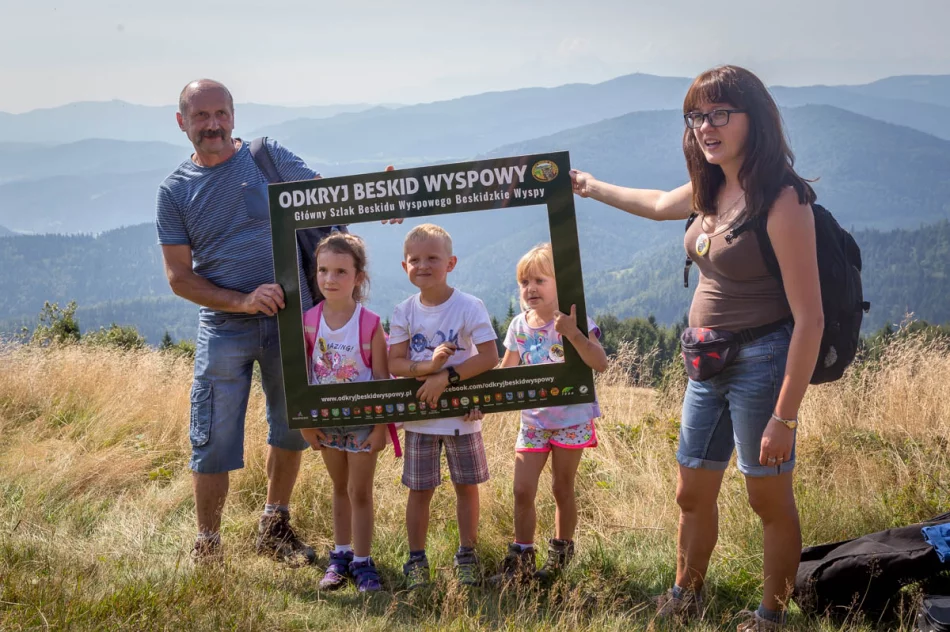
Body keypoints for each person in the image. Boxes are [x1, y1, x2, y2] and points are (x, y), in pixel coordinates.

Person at [571, 65, 823, 631]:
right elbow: (659, 202)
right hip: (705, 363)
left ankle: (771, 616)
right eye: (696, 116)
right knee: (691, 491)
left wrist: (785, 416)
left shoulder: (782, 200)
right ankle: (685, 594)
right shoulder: (711, 186)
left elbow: (810, 319)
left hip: (762, 362)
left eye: (720, 114)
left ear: (754, 120)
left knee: (767, 500)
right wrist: (589, 186)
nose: (706, 127)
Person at [156, 79, 323, 565]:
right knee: (211, 436)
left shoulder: (266, 157)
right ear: (182, 121)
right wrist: (243, 301)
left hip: (292, 318)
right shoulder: (175, 191)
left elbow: (326, 199)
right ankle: (208, 546)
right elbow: (179, 278)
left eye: (221, 114)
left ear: (233, 115)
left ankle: (275, 527)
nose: (213, 124)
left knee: (292, 425)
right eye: (201, 115)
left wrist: (384, 202)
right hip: (224, 325)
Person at [387, 223, 500, 588]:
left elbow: (490, 356)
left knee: (466, 486)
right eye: (414, 260)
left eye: (432, 258)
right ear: (404, 266)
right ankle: (416, 560)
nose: (423, 266)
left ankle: (467, 555)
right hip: (420, 418)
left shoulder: (469, 306)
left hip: (462, 416)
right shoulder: (403, 311)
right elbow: (395, 362)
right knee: (419, 490)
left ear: (450, 263)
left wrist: (446, 378)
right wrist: (429, 369)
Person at [492, 243, 607, 587]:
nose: (530, 288)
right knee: (522, 489)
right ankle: (522, 558)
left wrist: (572, 333)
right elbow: (505, 371)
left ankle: (560, 556)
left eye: (540, 280)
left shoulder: (575, 321)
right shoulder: (518, 325)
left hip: (571, 419)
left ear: (560, 284)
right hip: (533, 421)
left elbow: (599, 362)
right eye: (524, 282)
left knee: (561, 487)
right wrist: (477, 396)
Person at [299, 233, 389, 592]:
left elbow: (382, 380)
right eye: (323, 270)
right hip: (326, 423)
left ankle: (363, 562)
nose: (330, 279)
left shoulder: (370, 324)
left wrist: (381, 428)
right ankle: (340, 556)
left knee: (360, 491)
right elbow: (303, 378)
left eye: (340, 271)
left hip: (364, 423)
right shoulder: (308, 321)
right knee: (339, 488)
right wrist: (306, 425)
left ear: (358, 277)